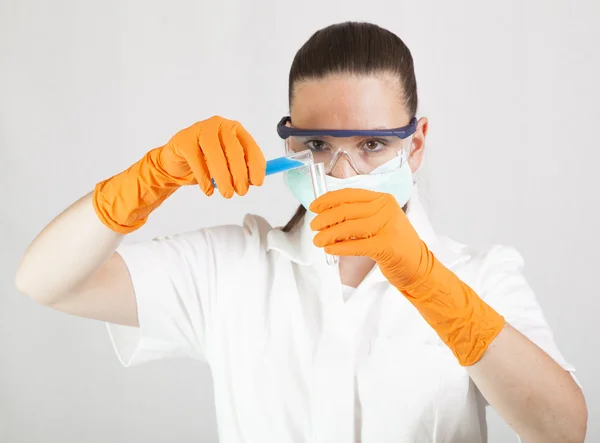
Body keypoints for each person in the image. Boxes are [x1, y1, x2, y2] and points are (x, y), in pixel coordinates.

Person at [15, 21, 587, 443]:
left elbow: (563, 430)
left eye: (371, 145)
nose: (342, 173)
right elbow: (47, 282)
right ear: (289, 144)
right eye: (316, 145)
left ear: (414, 145)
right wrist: (149, 179)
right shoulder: (231, 269)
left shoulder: (481, 274)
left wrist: (427, 281)